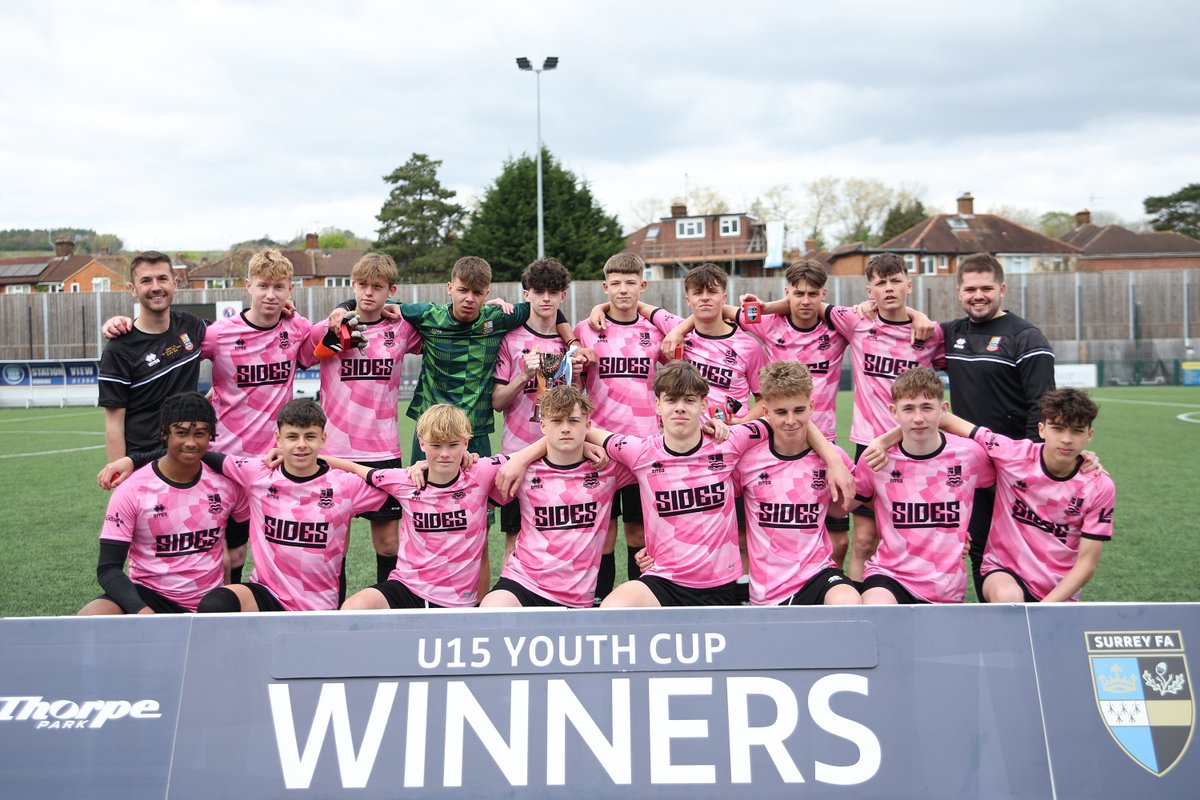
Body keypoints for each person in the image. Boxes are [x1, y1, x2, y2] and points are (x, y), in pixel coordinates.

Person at [330, 256, 589, 596]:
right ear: (449, 288)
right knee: (418, 517)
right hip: (428, 435)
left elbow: (548, 308)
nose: (469, 298)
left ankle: (478, 606)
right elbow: (372, 295)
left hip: (475, 433)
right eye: (463, 290)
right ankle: (412, 592)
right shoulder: (426, 315)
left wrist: (571, 342)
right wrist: (340, 307)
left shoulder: (498, 318)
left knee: (476, 528)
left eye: (478, 292)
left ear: (487, 294)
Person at [514, 360, 847, 608]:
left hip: (720, 584)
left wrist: (833, 460)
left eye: (689, 400)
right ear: (657, 405)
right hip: (664, 581)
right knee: (614, 611)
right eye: (671, 400)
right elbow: (576, 429)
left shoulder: (731, 442)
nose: (680, 408)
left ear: (703, 405)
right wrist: (522, 457)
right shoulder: (640, 453)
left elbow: (786, 419)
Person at [104, 399, 389, 613]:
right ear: (277, 439)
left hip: (321, 603)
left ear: (323, 439)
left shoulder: (346, 486)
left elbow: (396, 486)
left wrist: (346, 465)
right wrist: (134, 460)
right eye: (292, 437)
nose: (301, 445)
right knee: (218, 603)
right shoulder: (256, 473)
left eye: (310, 438)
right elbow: (194, 453)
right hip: (266, 594)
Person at [940, 253, 1056, 596]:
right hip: (970, 468)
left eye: (986, 288)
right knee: (977, 548)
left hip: (1014, 468)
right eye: (970, 289)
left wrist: (1030, 464)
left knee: (1025, 550)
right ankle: (993, 624)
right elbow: (904, 329)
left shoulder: (1026, 338)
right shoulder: (951, 333)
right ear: (959, 291)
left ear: (1002, 288)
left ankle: (1035, 626)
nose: (978, 295)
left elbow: (1043, 408)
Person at [826, 252, 945, 582]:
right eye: (881, 283)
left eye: (895, 281)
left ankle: (909, 601)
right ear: (869, 291)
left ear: (909, 285)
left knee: (912, 537)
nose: (889, 289)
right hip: (870, 449)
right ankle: (859, 606)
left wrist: (919, 316)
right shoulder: (857, 322)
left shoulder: (930, 334)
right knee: (864, 541)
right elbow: (803, 306)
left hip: (914, 450)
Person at [307, 253, 422, 585]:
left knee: (388, 544)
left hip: (383, 452)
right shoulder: (329, 328)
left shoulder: (402, 329)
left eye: (377, 286)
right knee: (335, 546)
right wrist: (340, 310)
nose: (368, 293)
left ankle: (388, 616)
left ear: (391, 291)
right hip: (335, 454)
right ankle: (334, 618)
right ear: (352, 286)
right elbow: (298, 352)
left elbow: (444, 323)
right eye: (362, 285)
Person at [936, 389, 1114, 602]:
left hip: (1058, 588)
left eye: (1076, 431)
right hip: (1004, 571)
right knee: (1008, 598)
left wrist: (1044, 608)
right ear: (1042, 429)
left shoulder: (1100, 486)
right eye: (1057, 429)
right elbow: (940, 417)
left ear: (1089, 435)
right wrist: (884, 441)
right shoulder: (1012, 453)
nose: (1066, 439)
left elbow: (1087, 564)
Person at [80, 393, 247, 615]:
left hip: (210, 600)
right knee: (92, 615)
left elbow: (236, 551)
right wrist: (139, 609)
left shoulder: (228, 485)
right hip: (149, 596)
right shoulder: (132, 490)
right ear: (164, 434)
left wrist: (230, 598)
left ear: (211, 436)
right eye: (181, 433)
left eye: (200, 434)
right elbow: (108, 568)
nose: (191, 442)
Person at [576, 253, 684, 598]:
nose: (624, 290)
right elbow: (575, 387)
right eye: (616, 284)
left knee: (640, 534)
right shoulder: (586, 330)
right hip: (601, 448)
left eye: (631, 283)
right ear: (605, 287)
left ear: (643, 285)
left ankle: (640, 599)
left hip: (645, 448)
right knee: (602, 532)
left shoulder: (656, 330)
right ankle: (599, 601)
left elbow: (683, 341)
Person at [331, 404, 511, 610]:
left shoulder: (481, 472)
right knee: (354, 607)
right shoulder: (405, 480)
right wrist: (297, 460)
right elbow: (356, 468)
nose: (444, 453)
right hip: (408, 587)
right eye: (436, 445)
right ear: (422, 444)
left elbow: (524, 457)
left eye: (453, 445)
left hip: (457, 601)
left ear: (465, 443)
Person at [845, 368, 994, 604]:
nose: (918, 418)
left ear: (943, 410)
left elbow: (1007, 487)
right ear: (894, 412)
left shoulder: (970, 455)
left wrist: (958, 535)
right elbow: (843, 505)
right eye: (908, 409)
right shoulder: (876, 458)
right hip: (889, 575)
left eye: (927, 407)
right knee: (877, 608)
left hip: (945, 585)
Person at [481, 386, 635, 608]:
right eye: (556, 421)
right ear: (542, 425)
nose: (565, 429)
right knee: (492, 610)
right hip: (523, 583)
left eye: (573, 421)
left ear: (588, 426)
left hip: (576, 596)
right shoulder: (521, 470)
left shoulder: (608, 469)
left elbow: (659, 463)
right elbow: (466, 485)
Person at [734, 362, 860, 606]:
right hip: (767, 589)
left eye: (798, 410)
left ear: (811, 407)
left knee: (848, 602)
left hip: (817, 575)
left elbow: (843, 508)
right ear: (766, 411)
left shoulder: (832, 458)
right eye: (781, 412)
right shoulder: (747, 460)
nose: (791, 421)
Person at [492, 258, 575, 561]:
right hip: (517, 454)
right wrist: (524, 376)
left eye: (553, 292)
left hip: (561, 454)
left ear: (562, 296)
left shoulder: (572, 344)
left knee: (561, 535)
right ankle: (512, 605)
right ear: (526, 294)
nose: (546, 299)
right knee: (515, 539)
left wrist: (578, 371)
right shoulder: (510, 340)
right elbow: (497, 401)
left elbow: (582, 400)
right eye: (538, 291)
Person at [99, 251, 207, 460]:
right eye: (146, 281)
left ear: (175, 284)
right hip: (143, 462)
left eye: (162, 278)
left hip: (188, 458)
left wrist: (280, 312)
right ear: (133, 289)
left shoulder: (190, 325)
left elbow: (236, 334)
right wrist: (118, 474)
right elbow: (113, 422)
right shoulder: (118, 349)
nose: (156, 287)